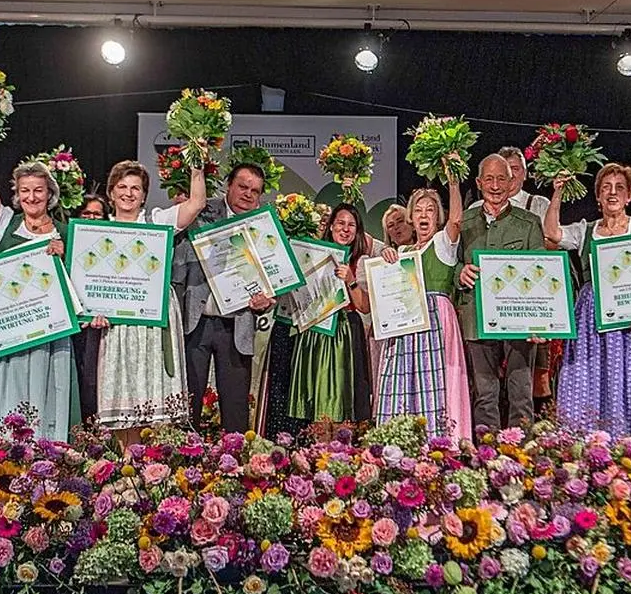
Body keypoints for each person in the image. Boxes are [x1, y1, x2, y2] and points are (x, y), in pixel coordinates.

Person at [542, 163, 631, 437]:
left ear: (629, 196)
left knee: (629, 380)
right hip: (591, 316)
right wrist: (558, 192)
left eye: (619, 188)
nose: (612, 193)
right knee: (586, 376)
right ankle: (584, 443)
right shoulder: (585, 230)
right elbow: (551, 233)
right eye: (606, 188)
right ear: (598, 196)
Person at [89, 160, 208, 435]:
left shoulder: (157, 222)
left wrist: (196, 166)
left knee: (156, 395)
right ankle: (126, 456)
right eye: (122, 187)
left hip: (154, 318)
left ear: (144, 195)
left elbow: (196, 204)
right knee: (123, 393)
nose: (128, 193)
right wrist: (92, 310)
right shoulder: (97, 231)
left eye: (136, 188)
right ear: (111, 192)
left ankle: (156, 459)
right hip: (117, 323)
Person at [0, 135, 80, 441]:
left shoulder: (67, 232)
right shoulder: (5, 223)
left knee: (51, 389)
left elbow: (81, 284)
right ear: (17, 195)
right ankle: (6, 449)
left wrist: (65, 256)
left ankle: (49, 449)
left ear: (50, 194)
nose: (31, 197)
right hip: (12, 332)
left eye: (38, 190)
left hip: (52, 334)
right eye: (25, 191)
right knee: (11, 389)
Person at [172, 163, 275, 432]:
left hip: (237, 326)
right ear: (229, 185)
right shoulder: (201, 212)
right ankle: (183, 454)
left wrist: (267, 302)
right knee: (187, 402)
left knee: (236, 406)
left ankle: (236, 456)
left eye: (255, 191)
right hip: (197, 322)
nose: (247, 194)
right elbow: (177, 262)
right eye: (242, 187)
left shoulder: (265, 227)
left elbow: (276, 281)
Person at [376, 167, 473, 440]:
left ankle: (439, 438)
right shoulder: (403, 251)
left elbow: (456, 220)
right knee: (402, 377)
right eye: (418, 210)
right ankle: (401, 438)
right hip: (406, 321)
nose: (423, 215)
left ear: (437, 216)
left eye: (430, 210)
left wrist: (452, 180)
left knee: (435, 379)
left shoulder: (442, 243)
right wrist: (387, 255)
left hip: (435, 318)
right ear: (411, 217)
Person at [457, 154, 546, 428]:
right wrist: (460, 272)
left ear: (511, 182)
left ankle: (523, 448)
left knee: (521, 391)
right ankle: (488, 448)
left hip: (519, 320)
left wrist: (539, 323)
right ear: (478, 183)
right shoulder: (464, 222)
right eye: (489, 179)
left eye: (501, 179)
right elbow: (451, 262)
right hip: (476, 318)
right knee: (485, 394)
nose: (495, 186)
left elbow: (542, 274)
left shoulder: (529, 223)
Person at [288, 204, 374, 423]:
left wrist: (351, 281)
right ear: (331, 226)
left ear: (357, 231)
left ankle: (342, 442)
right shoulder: (313, 256)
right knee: (315, 395)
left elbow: (364, 307)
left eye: (351, 225)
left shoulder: (360, 261)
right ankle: (313, 442)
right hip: (316, 331)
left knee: (343, 397)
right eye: (340, 223)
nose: (345, 229)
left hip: (346, 332)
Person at [71, 194, 109, 420]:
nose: (92, 218)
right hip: (76, 325)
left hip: (103, 324)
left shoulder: (112, 245)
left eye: (97, 214)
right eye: (86, 213)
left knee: (96, 382)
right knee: (80, 378)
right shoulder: (69, 243)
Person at [469, 146, 551, 219]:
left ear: (525, 174)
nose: (510, 174)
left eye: (515, 168)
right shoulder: (476, 207)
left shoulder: (540, 205)